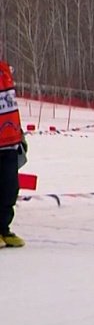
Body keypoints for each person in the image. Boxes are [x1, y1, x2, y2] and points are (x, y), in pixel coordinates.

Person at [0, 60, 27, 248]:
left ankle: (3, 228)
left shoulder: (4, 70)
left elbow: (11, 106)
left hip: (9, 142)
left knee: (9, 189)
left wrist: (20, 134)